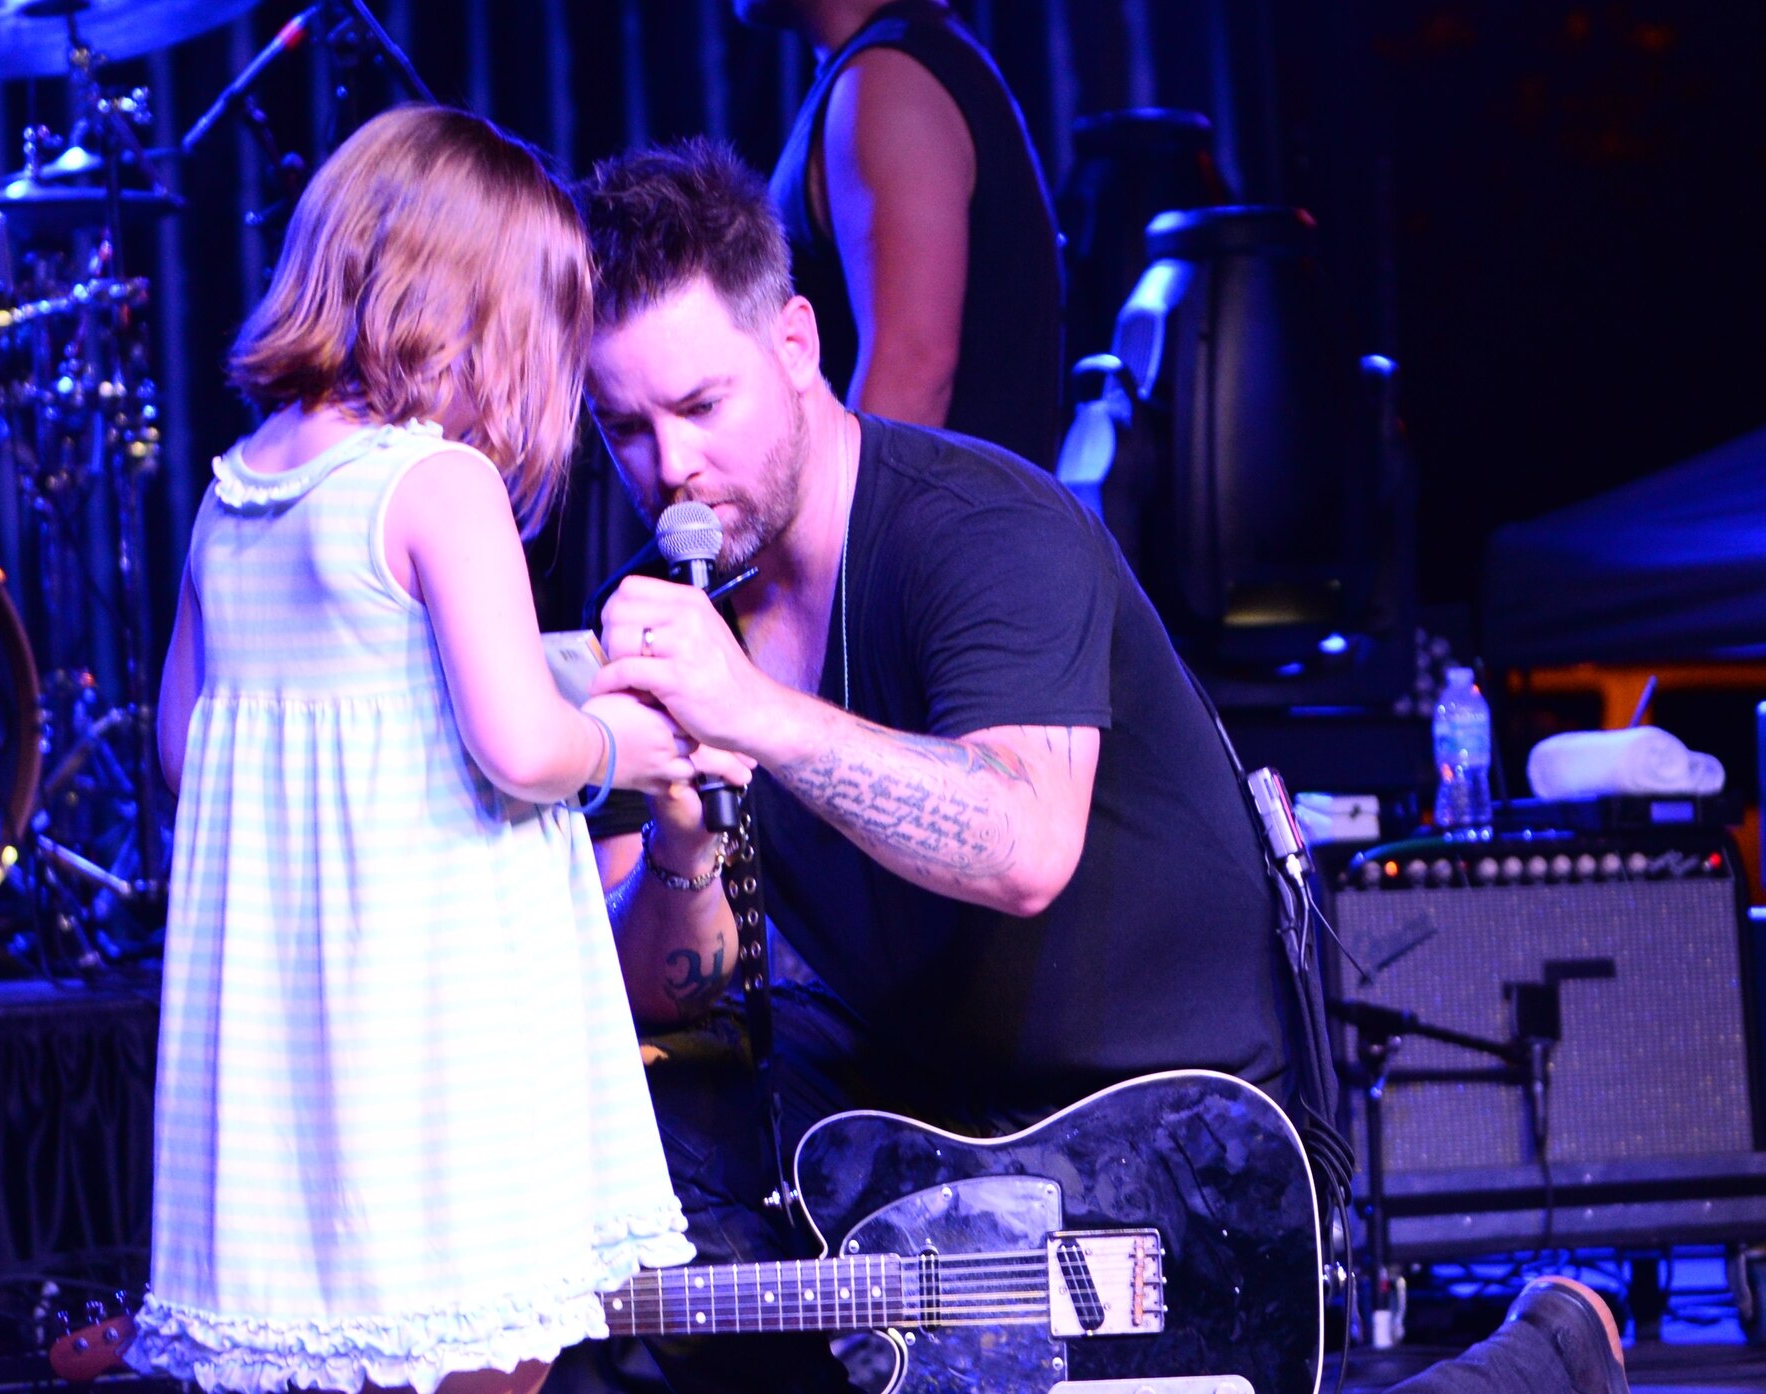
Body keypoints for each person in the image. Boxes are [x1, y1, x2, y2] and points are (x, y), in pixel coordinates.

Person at [551, 141, 1632, 1394]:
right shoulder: (667, 613)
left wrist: (756, 715)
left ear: (795, 344)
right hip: (908, 1130)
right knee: (642, 1137)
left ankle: (1547, 1356)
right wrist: (682, 835)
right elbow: (660, 988)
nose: (669, 465)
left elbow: (1023, 846)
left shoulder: (978, 529)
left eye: (700, 406)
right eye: (623, 426)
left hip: (1163, 1143)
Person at [127, 105, 697, 1394]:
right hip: (439, 1011)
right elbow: (520, 747)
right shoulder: (436, 483)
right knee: (491, 1345)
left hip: (300, 1026)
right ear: (478, 316)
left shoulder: (235, 493)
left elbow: (184, 749)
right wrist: (625, 741)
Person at [750, 0, 1063, 469]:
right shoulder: (889, 68)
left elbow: (913, 371)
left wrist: (854, 518)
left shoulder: (889, 82)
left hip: (940, 515)